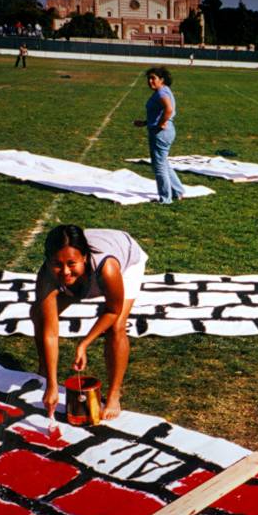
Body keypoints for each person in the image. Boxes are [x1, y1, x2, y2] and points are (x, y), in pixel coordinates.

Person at [31, 225, 149, 421]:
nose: (65, 271)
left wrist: (84, 343)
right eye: (57, 264)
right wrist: (52, 384)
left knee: (116, 327)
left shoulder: (108, 267)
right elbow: (50, 332)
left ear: (84, 257)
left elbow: (112, 310)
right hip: (86, 279)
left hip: (126, 257)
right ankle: (44, 371)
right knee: (39, 314)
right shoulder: (47, 275)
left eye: (71, 263)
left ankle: (114, 395)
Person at [132, 67, 184, 204]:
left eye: (153, 78)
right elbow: (160, 112)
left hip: (161, 133)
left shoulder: (161, 92)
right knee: (163, 163)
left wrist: (161, 123)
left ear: (161, 80)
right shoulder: (164, 90)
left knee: (159, 166)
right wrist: (144, 123)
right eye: (149, 79)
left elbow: (168, 109)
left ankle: (165, 199)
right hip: (165, 131)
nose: (150, 81)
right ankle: (178, 191)